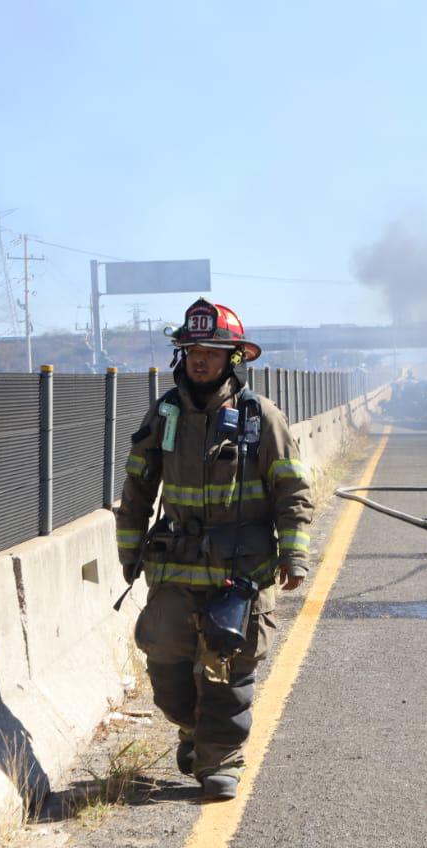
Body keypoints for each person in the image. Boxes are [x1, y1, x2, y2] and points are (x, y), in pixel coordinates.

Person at [115, 298, 313, 799]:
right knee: (166, 672)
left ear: (233, 359)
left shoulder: (260, 417)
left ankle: (220, 757)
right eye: (192, 349)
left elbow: (292, 489)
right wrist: (129, 551)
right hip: (176, 572)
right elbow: (137, 488)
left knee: (227, 673)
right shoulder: (165, 415)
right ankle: (191, 730)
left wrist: (294, 554)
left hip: (240, 576)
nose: (200, 359)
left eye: (212, 350)